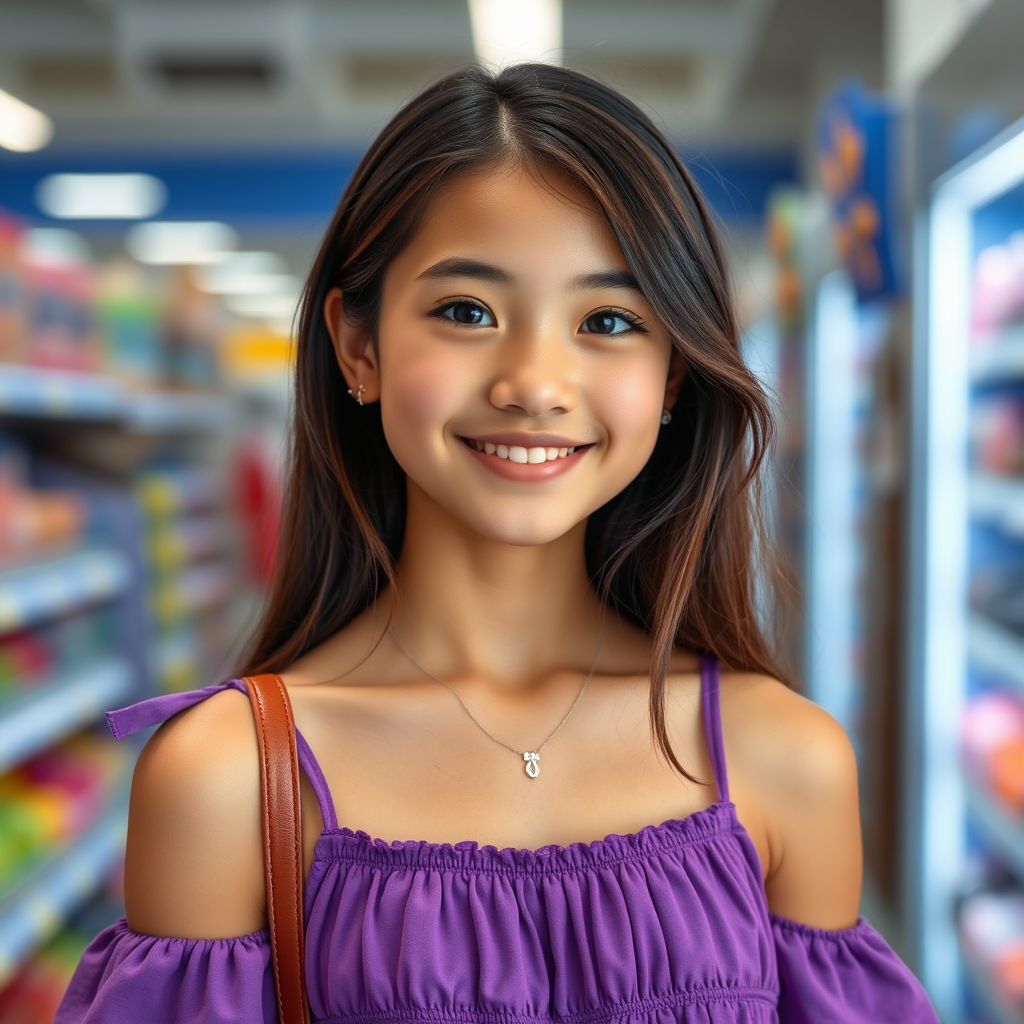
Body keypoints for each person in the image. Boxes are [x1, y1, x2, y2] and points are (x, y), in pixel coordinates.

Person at [56, 63, 938, 1023]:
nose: (534, 382)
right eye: (467, 311)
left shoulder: (789, 760)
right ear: (360, 348)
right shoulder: (223, 778)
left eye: (609, 320)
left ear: (674, 376)